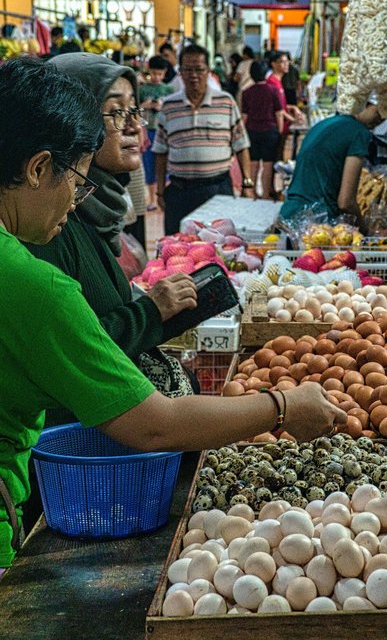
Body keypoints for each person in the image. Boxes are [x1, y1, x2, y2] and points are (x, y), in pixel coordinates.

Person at [0, 56, 346, 573]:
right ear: (36, 167)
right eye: (77, 176)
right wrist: (282, 406)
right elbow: (155, 426)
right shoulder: (34, 284)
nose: (77, 198)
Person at [25, 51, 199, 404]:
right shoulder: (47, 224)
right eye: (117, 111)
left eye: (135, 110)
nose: (135, 125)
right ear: (73, 120)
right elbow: (69, 354)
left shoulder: (98, 213)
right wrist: (150, 312)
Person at [153, 43, 254, 234]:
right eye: (188, 70)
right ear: (180, 72)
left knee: (221, 249)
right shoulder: (169, 106)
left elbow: (241, 146)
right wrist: (159, 190)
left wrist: (247, 184)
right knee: (178, 251)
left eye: (199, 69)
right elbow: (160, 152)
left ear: (208, 71)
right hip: (179, 191)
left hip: (218, 190)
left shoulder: (225, 102)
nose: (193, 75)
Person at [279, 103, 383, 227]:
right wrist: (364, 230)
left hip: (289, 214)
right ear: (363, 103)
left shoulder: (324, 124)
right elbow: (346, 202)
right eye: (378, 111)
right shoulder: (359, 132)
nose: (381, 118)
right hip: (317, 222)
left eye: (386, 116)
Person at [241, 60, 283, 200]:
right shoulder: (273, 90)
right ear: (266, 73)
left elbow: (244, 116)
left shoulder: (246, 92)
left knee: (253, 165)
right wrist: (280, 131)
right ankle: (265, 194)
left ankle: (252, 193)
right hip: (270, 132)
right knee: (267, 165)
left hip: (252, 132)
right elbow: (279, 113)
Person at [139, 55, 173, 210]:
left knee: (164, 165)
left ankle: (164, 195)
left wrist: (161, 107)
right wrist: (144, 105)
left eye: (160, 74)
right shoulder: (142, 89)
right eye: (154, 73)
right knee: (149, 165)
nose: (156, 77)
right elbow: (135, 109)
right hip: (147, 131)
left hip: (163, 131)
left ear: (165, 73)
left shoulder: (168, 89)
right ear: (149, 71)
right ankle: (152, 199)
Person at [266, 50, 304, 160]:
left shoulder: (278, 81)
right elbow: (277, 109)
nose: (286, 64)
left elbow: (281, 106)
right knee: (276, 158)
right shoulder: (272, 82)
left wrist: (293, 107)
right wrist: (294, 120)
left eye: (287, 61)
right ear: (274, 64)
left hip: (283, 126)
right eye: (283, 62)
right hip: (277, 127)